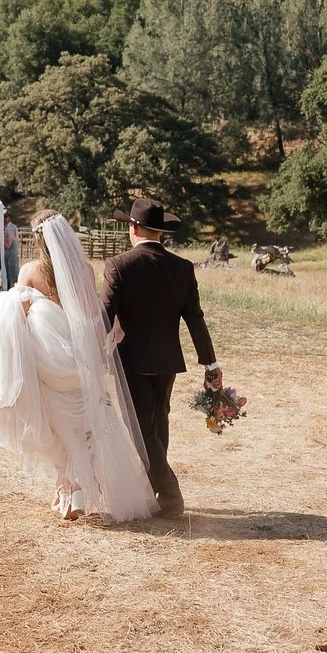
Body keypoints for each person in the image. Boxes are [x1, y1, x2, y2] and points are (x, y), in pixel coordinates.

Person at [0, 214, 156, 523]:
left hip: (45, 362)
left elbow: (15, 318)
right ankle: (73, 491)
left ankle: (69, 490)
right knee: (84, 426)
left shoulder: (30, 271)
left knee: (54, 429)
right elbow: (92, 317)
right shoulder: (85, 271)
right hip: (76, 361)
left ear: (38, 240)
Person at [102, 197, 220, 520]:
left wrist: (89, 350)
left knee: (143, 427)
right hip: (168, 361)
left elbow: (104, 316)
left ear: (133, 228)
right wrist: (210, 363)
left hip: (131, 361)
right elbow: (195, 318)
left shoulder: (119, 265)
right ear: (159, 232)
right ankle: (153, 490)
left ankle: (169, 495)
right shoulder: (182, 268)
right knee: (157, 423)